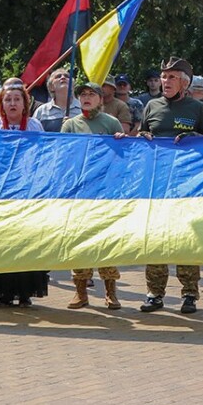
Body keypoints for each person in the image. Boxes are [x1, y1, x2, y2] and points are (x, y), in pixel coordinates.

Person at [124, 57, 203, 314]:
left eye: (172, 77)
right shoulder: (151, 106)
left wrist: (193, 137)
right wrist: (142, 136)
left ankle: (189, 294)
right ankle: (154, 293)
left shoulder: (196, 109)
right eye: (164, 77)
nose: (166, 81)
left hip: (185, 185)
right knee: (154, 238)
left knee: (186, 238)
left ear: (184, 83)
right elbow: (142, 135)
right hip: (155, 183)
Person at [0, 79, 49, 307]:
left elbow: (44, 156)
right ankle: (3, 291)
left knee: (26, 241)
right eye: (8, 100)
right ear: (1, 104)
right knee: (1, 240)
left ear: (25, 104)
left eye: (17, 99)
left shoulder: (35, 126)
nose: (13, 103)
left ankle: (25, 291)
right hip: (1, 192)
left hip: (28, 192)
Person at [61, 80, 124, 309]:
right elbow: (64, 157)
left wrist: (120, 142)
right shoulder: (70, 125)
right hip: (80, 192)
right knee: (79, 242)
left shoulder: (111, 123)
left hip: (105, 192)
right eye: (82, 94)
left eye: (91, 94)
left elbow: (122, 157)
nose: (86, 98)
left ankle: (110, 291)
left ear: (100, 98)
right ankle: (81, 292)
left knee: (106, 242)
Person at [32, 67, 81, 132]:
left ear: (72, 85)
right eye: (58, 76)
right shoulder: (41, 111)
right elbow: (34, 136)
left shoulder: (83, 108)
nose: (63, 77)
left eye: (67, 76)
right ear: (51, 87)